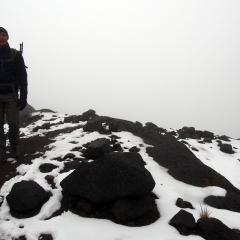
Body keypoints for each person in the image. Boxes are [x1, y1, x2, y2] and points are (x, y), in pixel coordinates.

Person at [0, 27, 28, 165]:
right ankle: (1, 151)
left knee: (13, 123)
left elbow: (23, 76)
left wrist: (23, 96)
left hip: (11, 94)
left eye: (4, 35)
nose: (1, 37)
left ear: (7, 37)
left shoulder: (15, 55)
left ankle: (14, 146)